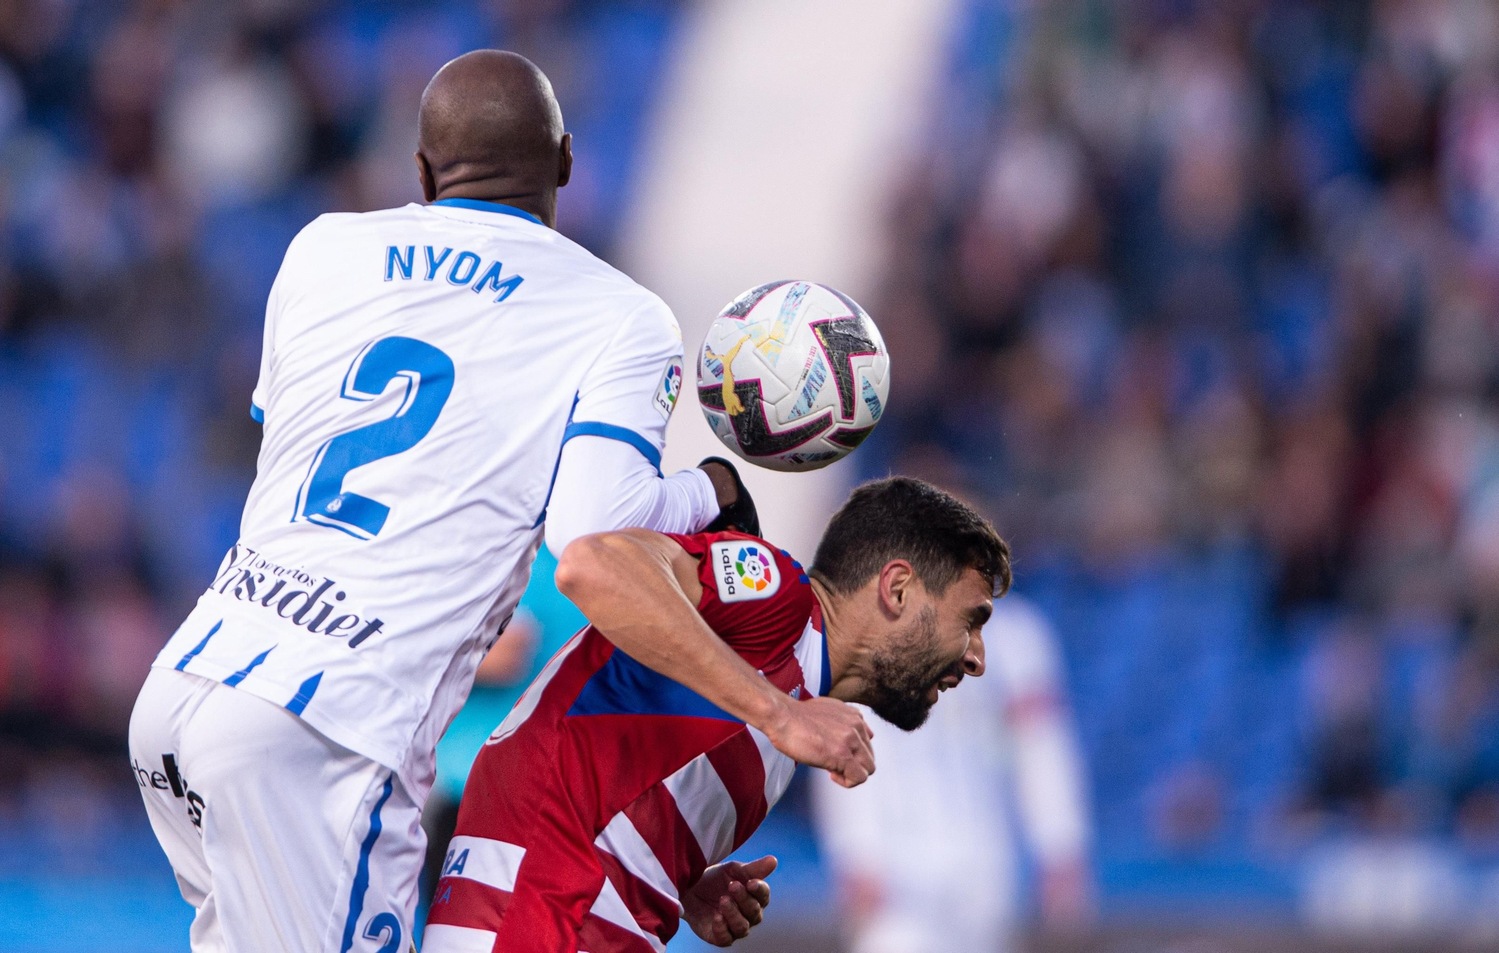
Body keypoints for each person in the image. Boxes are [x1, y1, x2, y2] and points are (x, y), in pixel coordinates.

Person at [127, 50, 870, 953]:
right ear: (564, 161)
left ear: (423, 172)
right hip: (327, 729)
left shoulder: (319, 249)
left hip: (188, 684)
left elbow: (294, 432)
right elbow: (593, 531)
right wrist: (707, 490)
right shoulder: (615, 313)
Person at [425, 477, 1013, 953]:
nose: (979, 657)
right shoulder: (778, 597)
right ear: (899, 588)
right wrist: (778, 713)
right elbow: (593, 564)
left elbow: (610, 760)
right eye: (973, 619)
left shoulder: (794, 696)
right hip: (537, 918)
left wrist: (675, 876)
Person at [811, 593, 1093, 953]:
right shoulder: (863, 633)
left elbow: (1041, 752)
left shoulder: (1015, 636)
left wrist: (1060, 847)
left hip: (987, 865)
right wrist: (856, 853)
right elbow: (842, 745)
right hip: (896, 867)